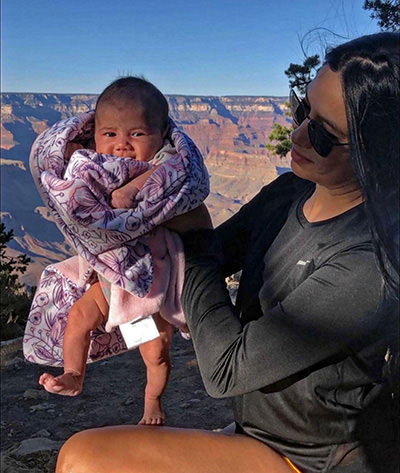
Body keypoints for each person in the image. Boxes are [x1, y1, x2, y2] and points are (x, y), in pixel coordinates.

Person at [55, 32, 399, 473]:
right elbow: (217, 254)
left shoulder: (370, 262)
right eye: (302, 109)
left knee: (85, 460)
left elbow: (224, 370)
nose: (296, 134)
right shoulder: (293, 191)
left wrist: (192, 225)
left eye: (322, 133)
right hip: (255, 435)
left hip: (309, 460)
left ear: (381, 152)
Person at [39, 77, 180, 426]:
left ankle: (152, 401)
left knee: (156, 352)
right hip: (107, 280)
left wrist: (132, 188)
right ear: (94, 133)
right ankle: (74, 373)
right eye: (110, 134)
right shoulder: (89, 162)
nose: (122, 146)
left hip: (147, 285)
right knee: (78, 319)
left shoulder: (166, 159)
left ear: (161, 134)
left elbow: (173, 172)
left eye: (136, 134)